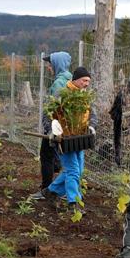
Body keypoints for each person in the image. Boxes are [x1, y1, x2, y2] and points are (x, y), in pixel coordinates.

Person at [43, 67, 97, 210]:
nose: (86, 84)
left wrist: (91, 126)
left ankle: (51, 191)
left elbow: (92, 114)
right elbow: (48, 113)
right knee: (73, 170)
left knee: (77, 171)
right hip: (63, 140)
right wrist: (51, 130)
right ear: (75, 80)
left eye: (88, 81)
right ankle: (74, 203)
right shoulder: (63, 94)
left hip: (79, 139)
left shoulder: (84, 96)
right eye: (84, 80)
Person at [31, 52, 71, 201]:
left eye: (50, 64)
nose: (48, 67)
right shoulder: (70, 79)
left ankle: (47, 189)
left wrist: (50, 129)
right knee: (64, 159)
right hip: (67, 127)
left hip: (56, 127)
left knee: (46, 156)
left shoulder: (59, 83)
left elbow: (53, 108)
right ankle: (64, 189)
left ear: (57, 64)